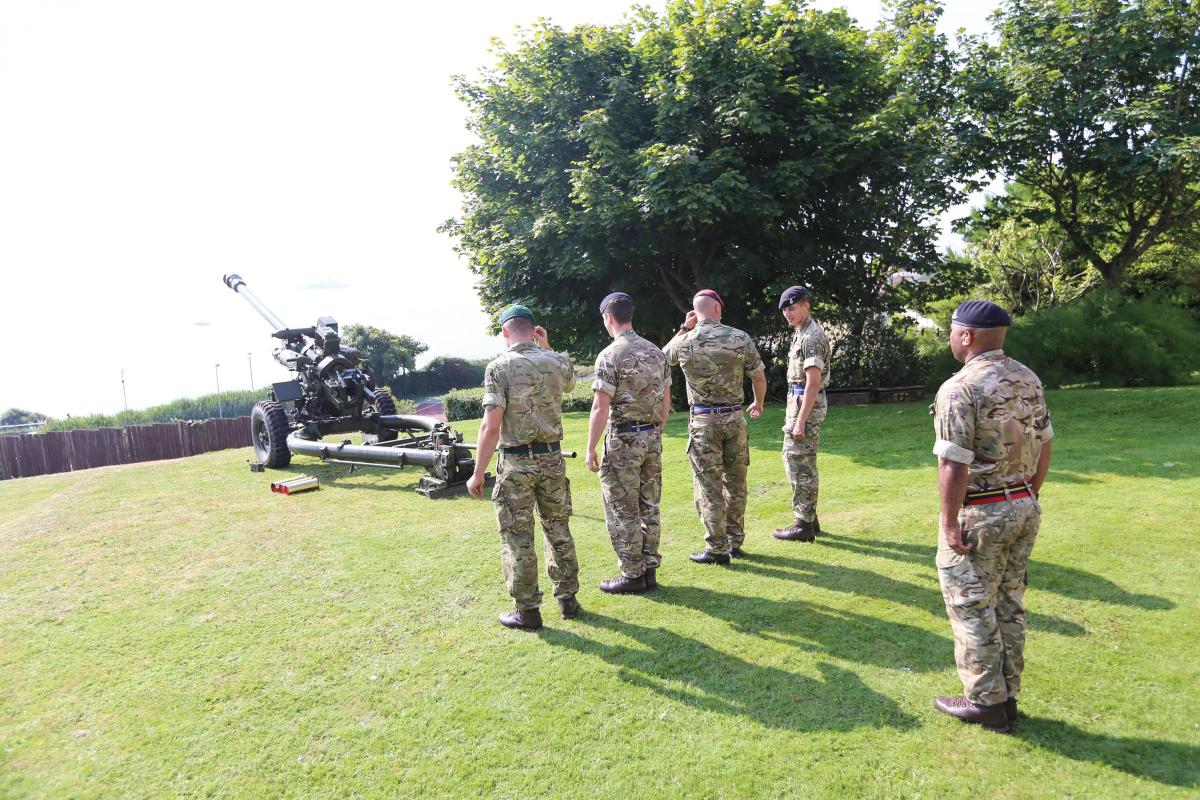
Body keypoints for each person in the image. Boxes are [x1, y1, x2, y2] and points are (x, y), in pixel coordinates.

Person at [930, 300, 1054, 733]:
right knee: (1008, 603)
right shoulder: (1028, 377)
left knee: (971, 605)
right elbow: (1046, 440)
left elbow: (954, 463)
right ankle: (1008, 695)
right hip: (1023, 504)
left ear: (966, 336)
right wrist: (1027, 492)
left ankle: (985, 701)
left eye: (951, 330)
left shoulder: (960, 387)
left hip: (982, 510)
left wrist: (949, 522)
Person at [466, 305, 580, 631]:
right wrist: (547, 346)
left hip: (517, 462)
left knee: (518, 535)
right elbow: (570, 382)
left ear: (505, 332)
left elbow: (490, 426)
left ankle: (528, 610)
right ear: (534, 329)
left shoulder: (498, 368)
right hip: (553, 459)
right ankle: (567, 599)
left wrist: (478, 472)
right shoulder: (556, 361)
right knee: (558, 528)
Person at [663, 289, 766, 564]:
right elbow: (758, 376)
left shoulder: (686, 340)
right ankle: (735, 541)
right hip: (734, 419)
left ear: (696, 313)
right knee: (736, 482)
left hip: (703, 422)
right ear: (718, 309)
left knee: (708, 485)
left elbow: (660, 359)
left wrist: (685, 327)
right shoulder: (740, 338)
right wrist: (758, 403)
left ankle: (716, 548)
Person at [584, 292, 672, 594]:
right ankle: (649, 570)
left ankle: (632, 573)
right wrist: (656, 430)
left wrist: (590, 447)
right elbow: (666, 400)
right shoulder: (656, 353)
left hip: (623, 439)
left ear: (609, 317)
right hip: (651, 438)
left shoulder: (610, 355)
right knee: (649, 504)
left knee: (622, 508)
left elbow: (600, 407)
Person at [773, 285, 830, 543]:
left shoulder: (811, 337)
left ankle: (803, 525)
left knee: (799, 464)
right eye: (785, 309)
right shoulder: (802, 332)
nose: (787, 313)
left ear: (806, 305)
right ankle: (809, 518)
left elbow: (813, 382)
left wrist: (800, 421)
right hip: (798, 401)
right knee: (800, 461)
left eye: (792, 308)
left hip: (805, 404)